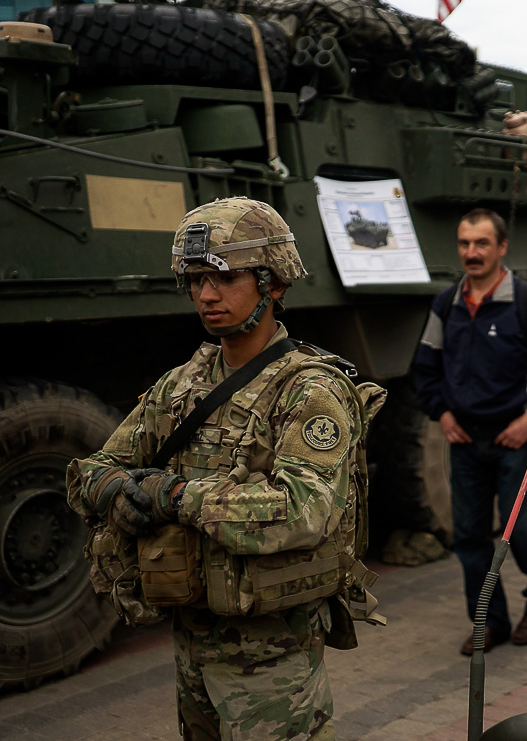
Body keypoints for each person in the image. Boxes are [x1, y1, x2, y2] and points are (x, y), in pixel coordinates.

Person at [66, 197, 383, 741]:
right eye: (195, 281)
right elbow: (94, 467)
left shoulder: (310, 390)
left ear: (274, 283)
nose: (206, 295)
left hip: (272, 653)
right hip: (192, 632)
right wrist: (118, 489)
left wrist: (176, 497)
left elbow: (305, 510)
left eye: (227, 277)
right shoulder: (180, 385)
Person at [413, 208, 527, 655]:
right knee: (471, 538)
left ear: (501, 247)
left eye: (481, 243)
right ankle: (488, 621)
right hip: (466, 442)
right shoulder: (446, 305)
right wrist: (442, 414)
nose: (472, 253)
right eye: (464, 244)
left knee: (524, 531)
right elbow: (424, 369)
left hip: (518, 439)